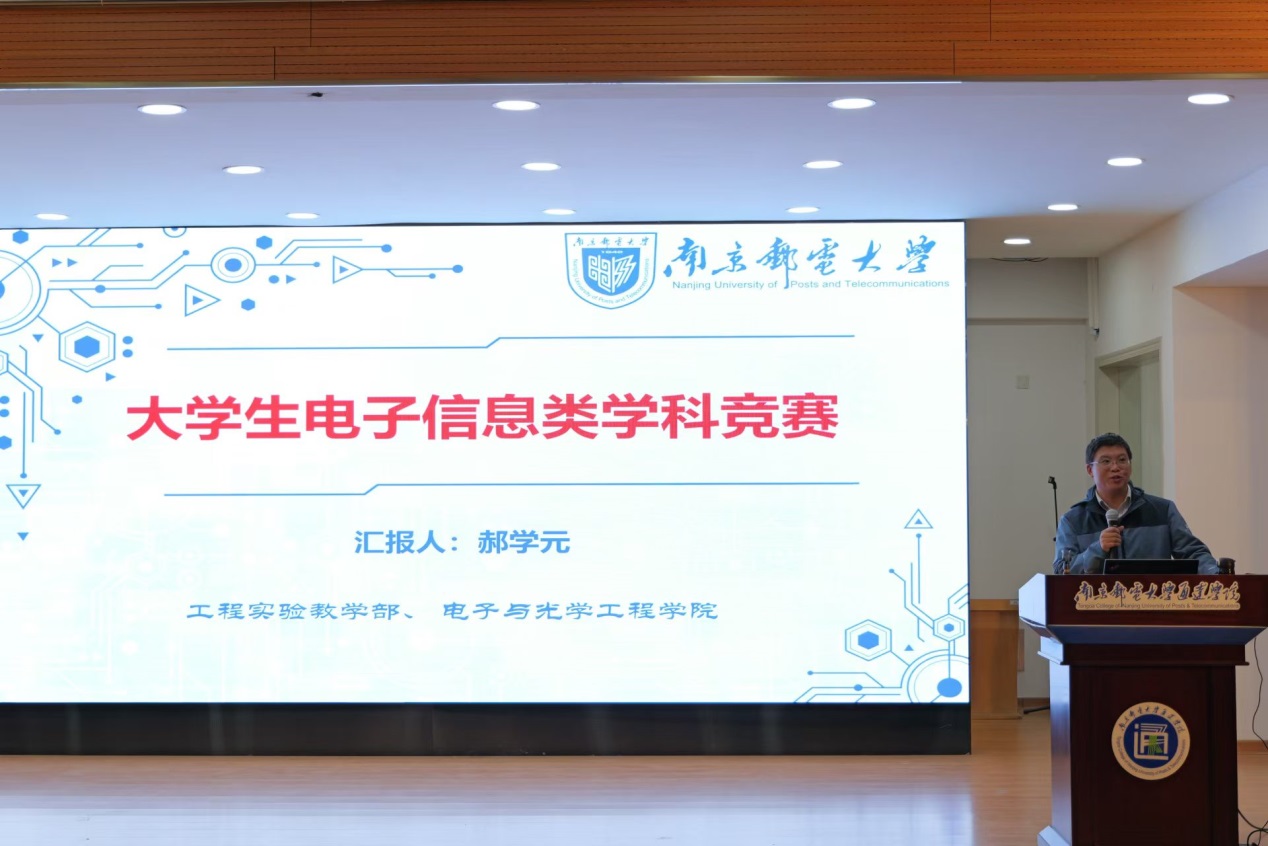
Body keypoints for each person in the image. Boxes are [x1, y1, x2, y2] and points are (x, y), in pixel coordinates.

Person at [1052, 433, 1218, 575]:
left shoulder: (1162, 510)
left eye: (1122, 460)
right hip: (1097, 603)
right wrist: (1098, 549)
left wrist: (1216, 573)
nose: (1115, 467)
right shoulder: (1073, 521)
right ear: (1090, 470)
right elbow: (1062, 571)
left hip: (1151, 600)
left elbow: (1192, 552)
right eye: (1106, 461)